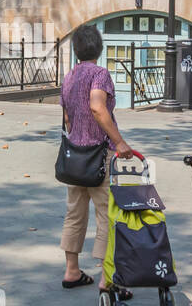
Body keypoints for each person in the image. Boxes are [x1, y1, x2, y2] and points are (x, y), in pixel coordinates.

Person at [58, 24, 135, 292]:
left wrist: (78, 135)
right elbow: (97, 106)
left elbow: (68, 118)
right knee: (107, 215)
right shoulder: (100, 74)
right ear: (99, 49)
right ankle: (107, 278)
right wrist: (119, 142)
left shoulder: (69, 77)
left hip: (74, 159)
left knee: (74, 214)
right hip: (98, 157)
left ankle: (72, 271)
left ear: (76, 49)